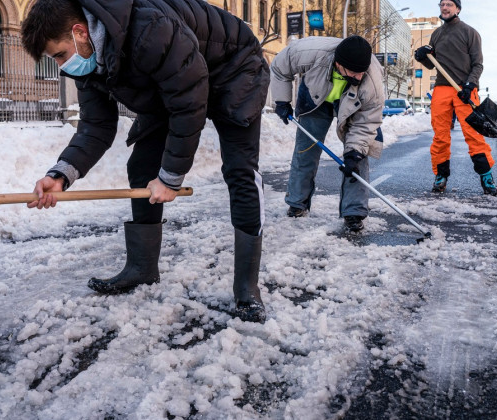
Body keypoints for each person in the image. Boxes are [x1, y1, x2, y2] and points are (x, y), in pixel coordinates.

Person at [21, 0, 270, 322]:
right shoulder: (89, 60)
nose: (60, 65)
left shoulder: (150, 28)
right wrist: (61, 174)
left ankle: (247, 287)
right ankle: (141, 268)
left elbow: (188, 102)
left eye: (58, 54)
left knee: (240, 170)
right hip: (173, 82)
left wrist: (170, 177)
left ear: (79, 32)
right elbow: (96, 126)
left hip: (234, 69)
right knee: (141, 166)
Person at [270, 35, 384, 233]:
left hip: (353, 106)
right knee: (305, 151)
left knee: (358, 157)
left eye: (361, 73)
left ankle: (354, 212)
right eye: (353, 72)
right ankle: (297, 204)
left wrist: (354, 152)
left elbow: (367, 123)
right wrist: (282, 101)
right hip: (316, 97)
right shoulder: (308, 52)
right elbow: (279, 67)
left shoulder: (372, 82)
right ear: (339, 64)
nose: (358, 77)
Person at [414, 0, 497, 195]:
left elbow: (478, 64)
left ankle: (487, 177)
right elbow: (431, 65)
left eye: (449, 5)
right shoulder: (436, 34)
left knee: (474, 135)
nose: (444, 8)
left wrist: (470, 85)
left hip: (465, 90)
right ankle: (441, 176)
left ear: (458, 9)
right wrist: (421, 56)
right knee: (440, 136)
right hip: (442, 89)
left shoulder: (470, 32)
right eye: (442, 4)